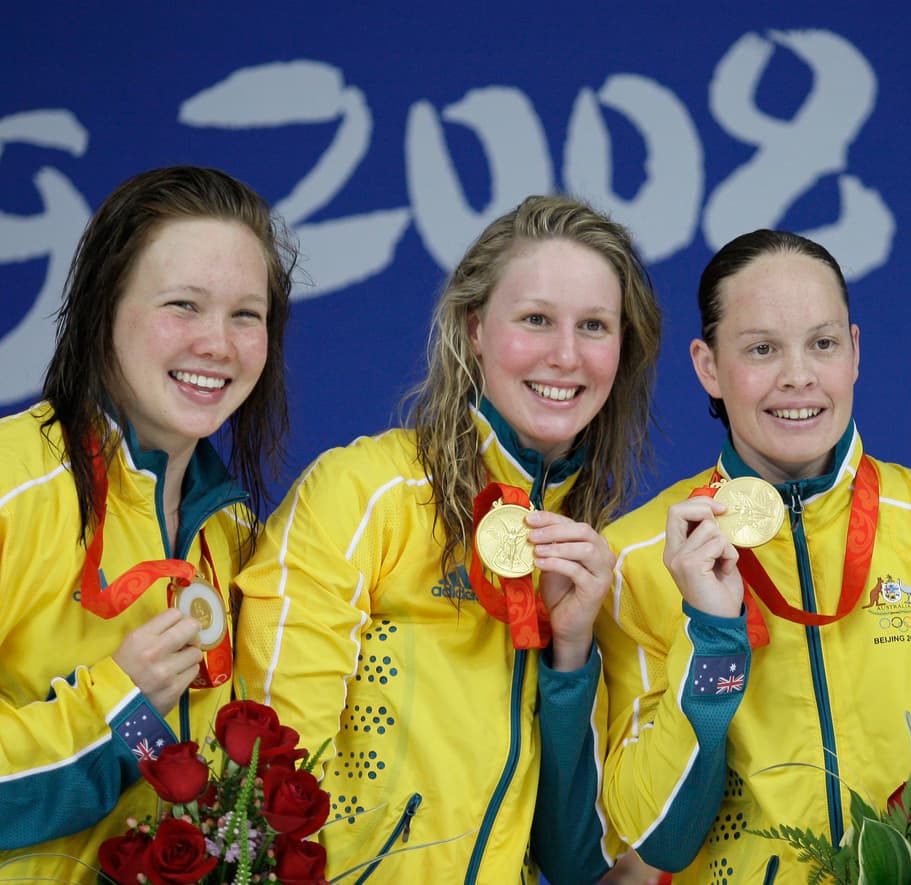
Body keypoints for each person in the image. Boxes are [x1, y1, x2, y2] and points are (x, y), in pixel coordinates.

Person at [595, 229, 911, 882]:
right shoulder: (636, 560)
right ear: (708, 366)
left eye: (823, 343)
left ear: (855, 351)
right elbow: (658, 835)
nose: (798, 375)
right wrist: (712, 638)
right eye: (761, 348)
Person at [234, 195, 662, 883]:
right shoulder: (368, 493)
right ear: (474, 329)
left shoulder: (591, 558)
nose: (566, 354)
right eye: (536, 319)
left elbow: (575, 860)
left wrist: (571, 652)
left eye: (594, 326)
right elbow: (266, 777)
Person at [0, 165, 294, 882]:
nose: (217, 344)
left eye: (246, 315)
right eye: (183, 305)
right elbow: (127, 722)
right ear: (103, 307)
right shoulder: (14, 484)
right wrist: (117, 705)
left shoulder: (231, 531)